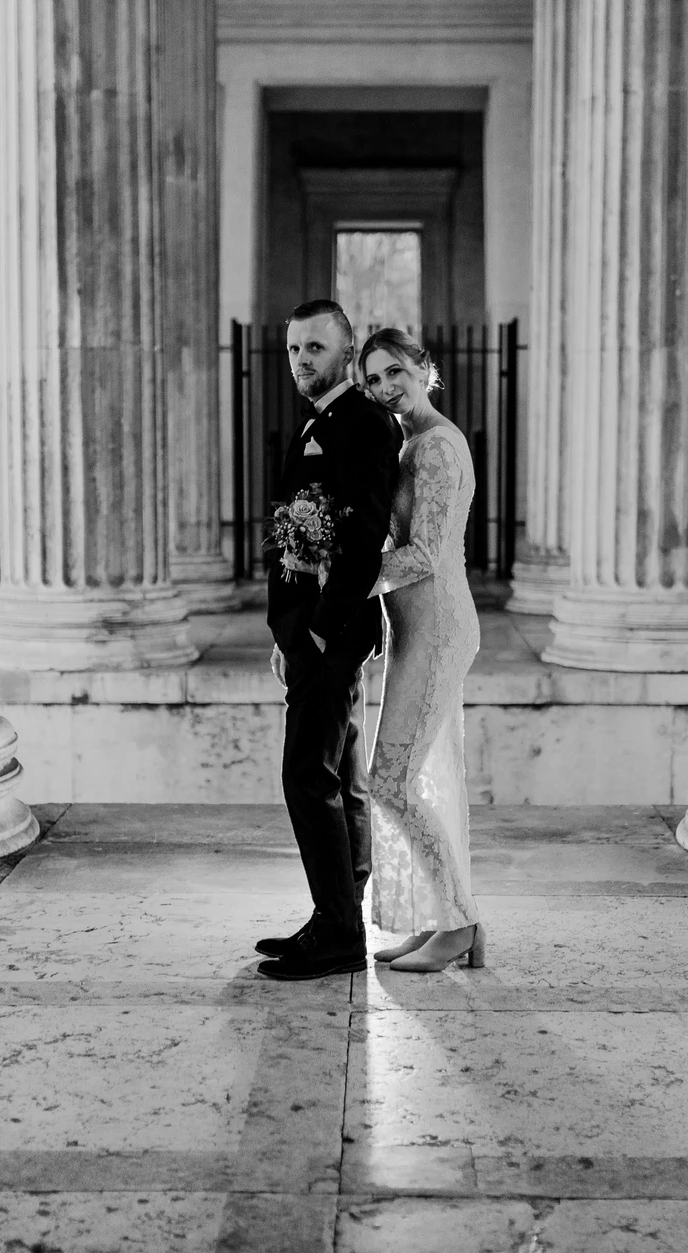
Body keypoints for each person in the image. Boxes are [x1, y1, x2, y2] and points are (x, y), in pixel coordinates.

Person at [255, 300, 402, 981]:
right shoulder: (317, 424)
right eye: (292, 349)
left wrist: (315, 628)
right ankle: (338, 914)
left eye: (314, 347)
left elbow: (365, 535)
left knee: (306, 776)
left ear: (345, 353)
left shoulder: (364, 424)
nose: (300, 359)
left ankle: (341, 931)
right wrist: (283, 631)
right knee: (341, 776)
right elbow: (294, 531)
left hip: (332, 633)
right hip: (308, 634)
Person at [357, 327, 484, 973]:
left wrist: (348, 574)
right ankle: (444, 915)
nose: (385, 387)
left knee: (390, 781)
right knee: (415, 779)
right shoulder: (411, 442)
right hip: (418, 629)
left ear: (424, 367)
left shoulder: (434, 448)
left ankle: (457, 923)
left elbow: (425, 554)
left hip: (436, 629)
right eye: (373, 378)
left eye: (395, 372)